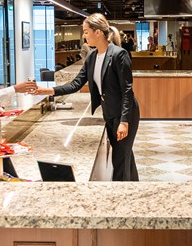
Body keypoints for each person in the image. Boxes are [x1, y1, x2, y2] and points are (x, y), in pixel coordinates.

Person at [34, 13, 140, 181]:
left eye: (85, 32)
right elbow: (76, 84)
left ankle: (120, 192)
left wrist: (124, 122)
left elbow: (127, 91)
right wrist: (48, 91)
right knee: (124, 154)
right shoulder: (92, 56)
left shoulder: (119, 55)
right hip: (109, 113)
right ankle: (134, 186)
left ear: (98, 32)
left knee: (119, 159)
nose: (84, 36)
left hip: (125, 114)